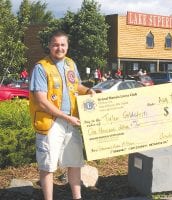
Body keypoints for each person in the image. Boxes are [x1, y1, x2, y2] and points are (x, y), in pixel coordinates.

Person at [29, 30, 95, 200]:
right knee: (48, 165)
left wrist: (88, 90)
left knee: (74, 162)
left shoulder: (70, 64)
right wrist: (66, 118)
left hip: (71, 122)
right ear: (50, 46)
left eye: (62, 44)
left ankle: (77, 197)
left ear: (67, 46)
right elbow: (42, 101)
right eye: (55, 44)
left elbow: (76, 86)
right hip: (50, 122)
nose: (59, 48)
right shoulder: (41, 67)